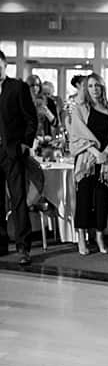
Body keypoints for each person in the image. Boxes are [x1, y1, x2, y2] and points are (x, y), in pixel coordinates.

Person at [68, 71, 108, 256]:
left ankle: (99, 236)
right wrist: (95, 151)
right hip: (86, 162)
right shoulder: (79, 109)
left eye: (97, 85)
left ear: (102, 87)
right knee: (84, 200)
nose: (94, 89)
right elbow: (76, 135)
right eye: (90, 86)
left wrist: (105, 152)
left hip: (105, 163)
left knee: (102, 199)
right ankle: (81, 236)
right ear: (86, 89)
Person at [1, 47, 40, 269]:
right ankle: (0, 245)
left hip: (12, 152)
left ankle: (23, 247)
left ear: (5, 66)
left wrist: (25, 144)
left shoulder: (17, 87)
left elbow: (31, 119)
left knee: (18, 200)